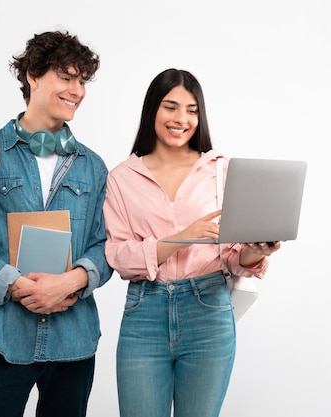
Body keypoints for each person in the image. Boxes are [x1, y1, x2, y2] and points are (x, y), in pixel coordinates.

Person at [0, 30, 113, 417]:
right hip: (3, 337)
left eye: (82, 80)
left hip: (74, 343)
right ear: (33, 75)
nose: (77, 90)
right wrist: (17, 286)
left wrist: (71, 282)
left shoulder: (93, 166)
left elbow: (106, 245)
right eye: (66, 77)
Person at [103, 68, 281, 417]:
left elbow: (231, 255)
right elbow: (118, 255)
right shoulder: (122, 178)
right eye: (170, 107)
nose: (181, 119)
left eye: (192, 110)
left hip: (209, 312)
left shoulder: (219, 170)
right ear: (152, 109)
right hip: (145, 314)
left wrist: (252, 253)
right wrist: (182, 237)